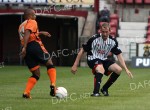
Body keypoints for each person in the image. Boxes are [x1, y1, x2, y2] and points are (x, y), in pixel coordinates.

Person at [71, 22, 133, 97]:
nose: (104, 34)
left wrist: (126, 69)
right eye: (103, 32)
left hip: (103, 59)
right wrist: (75, 65)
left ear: (110, 31)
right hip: (92, 58)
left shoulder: (113, 41)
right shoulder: (94, 39)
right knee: (101, 69)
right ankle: (95, 92)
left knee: (118, 69)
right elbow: (82, 50)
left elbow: (119, 54)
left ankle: (104, 89)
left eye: (106, 32)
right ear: (100, 31)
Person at [18, 8, 56, 99]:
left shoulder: (21, 26)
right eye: (34, 14)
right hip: (34, 46)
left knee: (36, 74)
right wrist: (25, 47)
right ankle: (53, 85)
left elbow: (30, 33)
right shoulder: (32, 21)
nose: (35, 16)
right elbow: (28, 32)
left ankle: (26, 92)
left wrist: (41, 33)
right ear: (30, 16)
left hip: (27, 52)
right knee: (50, 64)